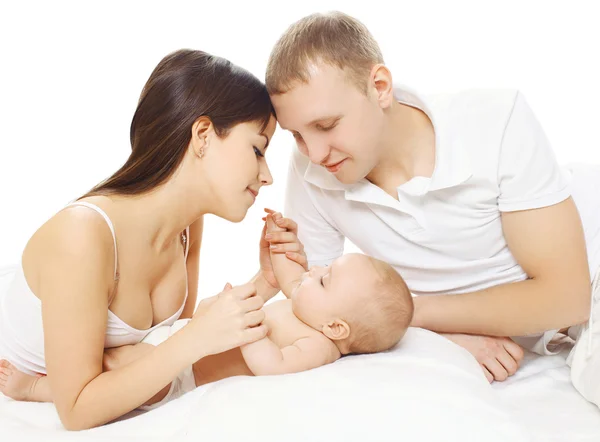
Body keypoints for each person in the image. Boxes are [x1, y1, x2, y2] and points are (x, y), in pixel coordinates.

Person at [265, 10, 600, 407]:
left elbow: (567, 299)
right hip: (528, 330)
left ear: (380, 87)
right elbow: (318, 313)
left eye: (326, 126)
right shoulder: (312, 166)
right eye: (297, 136)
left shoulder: (495, 122)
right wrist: (447, 339)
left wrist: (415, 317)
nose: (314, 153)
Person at [0, 49, 308, 429]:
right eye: (258, 150)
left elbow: (166, 340)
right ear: (203, 135)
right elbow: (76, 410)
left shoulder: (187, 226)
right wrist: (195, 338)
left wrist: (266, 282)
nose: (267, 176)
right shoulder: (81, 237)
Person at [1, 211, 414, 410]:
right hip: (183, 341)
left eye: (326, 278)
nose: (316, 270)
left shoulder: (318, 344)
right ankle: (63, 371)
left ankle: (35, 389)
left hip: (180, 373)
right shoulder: (309, 307)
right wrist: (275, 241)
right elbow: (284, 276)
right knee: (108, 359)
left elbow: (273, 366)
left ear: (337, 327)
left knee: (117, 369)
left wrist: (251, 328)